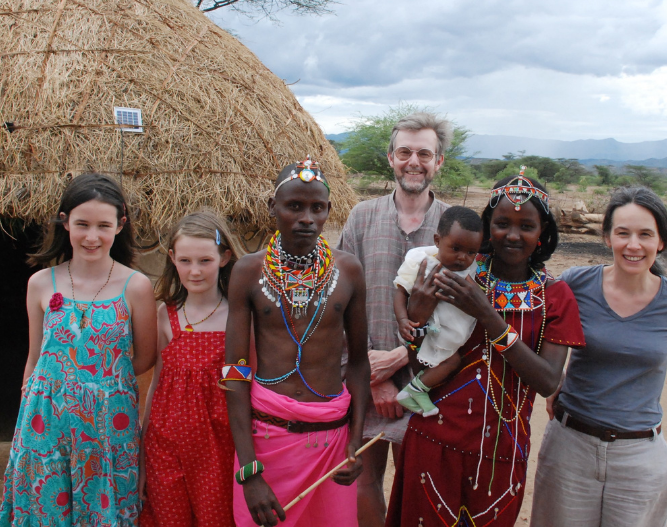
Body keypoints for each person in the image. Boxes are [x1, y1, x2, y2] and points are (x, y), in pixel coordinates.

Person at [384, 170, 586, 527]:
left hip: (502, 455)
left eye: (526, 226)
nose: (512, 235)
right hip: (434, 441)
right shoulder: (458, 273)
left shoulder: (555, 296)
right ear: (487, 225)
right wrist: (415, 316)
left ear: (542, 232)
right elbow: (420, 362)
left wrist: (488, 317)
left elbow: (549, 382)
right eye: (502, 223)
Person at [530, 186, 667, 527]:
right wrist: (554, 385)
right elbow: (537, 338)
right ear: (607, 238)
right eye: (622, 233)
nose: (633, 245)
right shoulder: (575, 284)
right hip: (569, 447)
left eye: (645, 235)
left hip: (641, 456)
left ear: (661, 242)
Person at [0, 173, 157, 526]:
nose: (91, 236)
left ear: (120, 226)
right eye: (82, 223)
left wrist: (99, 386)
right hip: (44, 421)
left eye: (103, 225)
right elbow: (36, 356)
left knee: (102, 510)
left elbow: (145, 357)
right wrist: (28, 412)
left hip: (108, 425)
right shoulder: (41, 283)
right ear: (64, 221)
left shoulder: (136, 286)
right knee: (44, 509)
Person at [223, 157, 371, 527]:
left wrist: (354, 441)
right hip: (266, 441)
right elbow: (234, 370)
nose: (307, 217)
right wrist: (249, 471)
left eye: (316, 208)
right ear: (273, 208)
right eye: (294, 206)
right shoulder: (248, 271)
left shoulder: (348, 270)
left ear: (328, 211)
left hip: (332, 442)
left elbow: (357, 363)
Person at [336, 111, 452, 527]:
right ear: (390, 157)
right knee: (363, 482)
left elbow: (466, 315)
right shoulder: (361, 217)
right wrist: (372, 371)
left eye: (425, 153)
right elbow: (340, 303)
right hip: (365, 377)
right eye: (405, 151)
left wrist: (400, 358)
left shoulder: (456, 227)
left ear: (439, 162)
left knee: (416, 483)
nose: (414, 161)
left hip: (432, 382)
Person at [140, 210, 241, 526]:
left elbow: (242, 386)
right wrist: (142, 446)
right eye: (185, 261)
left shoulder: (238, 319)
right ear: (172, 258)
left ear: (224, 257)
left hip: (218, 449)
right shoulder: (165, 316)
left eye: (205, 261)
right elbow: (157, 383)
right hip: (165, 446)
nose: (194, 271)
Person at [392, 206, 482, 416]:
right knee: (452, 361)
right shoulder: (420, 260)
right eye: (456, 248)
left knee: (453, 360)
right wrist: (402, 319)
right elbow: (400, 291)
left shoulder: (472, 269)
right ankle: (415, 390)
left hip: (449, 330)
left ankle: (416, 391)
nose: (462, 258)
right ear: (437, 240)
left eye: (471, 252)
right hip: (424, 329)